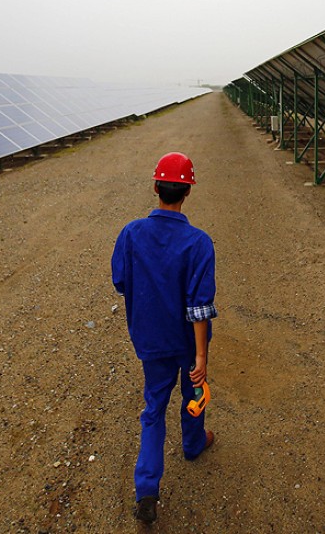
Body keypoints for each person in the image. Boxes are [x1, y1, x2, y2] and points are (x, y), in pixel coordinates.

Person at [111, 151, 217, 524]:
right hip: (188, 343)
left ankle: (147, 488)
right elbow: (199, 308)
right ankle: (192, 443)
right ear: (187, 191)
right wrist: (201, 357)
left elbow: (121, 282)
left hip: (151, 340)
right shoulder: (199, 243)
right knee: (194, 392)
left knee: (153, 408)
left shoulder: (131, 234)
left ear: (156, 187)